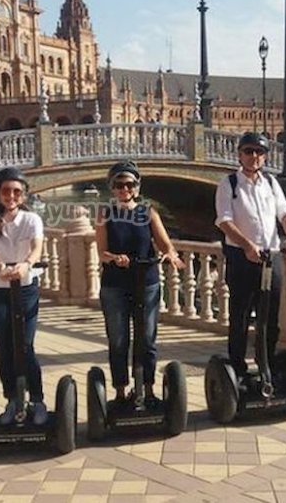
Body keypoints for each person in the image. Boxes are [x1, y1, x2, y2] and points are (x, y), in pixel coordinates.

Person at [214, 131, 286, 384]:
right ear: (240, 155)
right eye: (249, 151)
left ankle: (268, 364)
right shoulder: (229, 184)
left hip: (270, 257)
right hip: (242, 258)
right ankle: (238, 368)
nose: (254, 157)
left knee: (271, 316)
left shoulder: (271, 184)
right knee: (240, 315)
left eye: (259, 152)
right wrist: (247, 245)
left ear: (265, 157)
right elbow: (224, 221)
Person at [95, 160, 184, 404]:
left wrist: (170, 255)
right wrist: (114, 258)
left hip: (147, 281)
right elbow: (101, 251)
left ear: (137, 186)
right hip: (115, 284)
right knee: (118, 338)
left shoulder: (148, 212)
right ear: (111, 188)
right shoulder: (105, 214)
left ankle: (147, 388)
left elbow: (166, 244)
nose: (125, 189)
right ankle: (121, 390)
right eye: (119, 185)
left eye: (129, 184)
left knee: (146, 338)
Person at [0, 167, 46, 425]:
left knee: (25, 346)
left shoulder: (31, 220)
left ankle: (37, 400)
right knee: (5, 346)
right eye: (6, 191)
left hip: (26, 288)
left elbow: (37, 248)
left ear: (24, 194)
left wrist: (27, 264)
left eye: (17, 191)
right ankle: (12, 400)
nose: (12, 196)